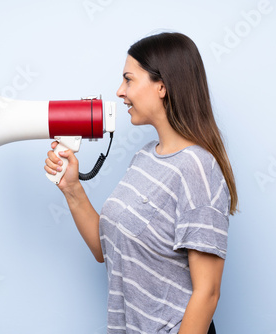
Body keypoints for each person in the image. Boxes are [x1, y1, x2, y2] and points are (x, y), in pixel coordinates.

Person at [44, 32, 238, 334]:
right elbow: (106, 250)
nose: (120, 91)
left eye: (129, 79)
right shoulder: (146, 157)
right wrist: (72, 189)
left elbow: (208, 292)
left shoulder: (198, 168)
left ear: (162, 86)